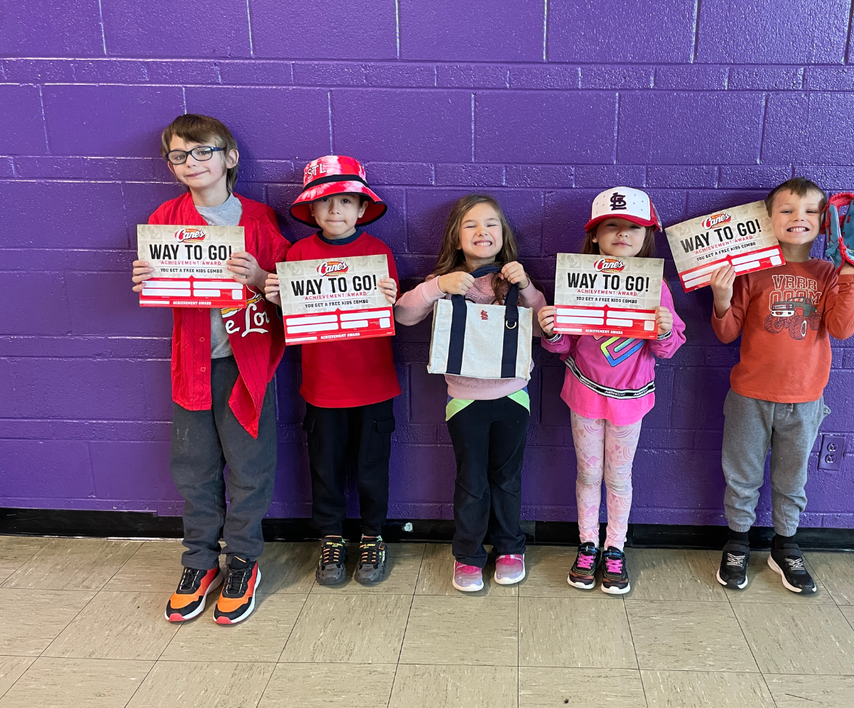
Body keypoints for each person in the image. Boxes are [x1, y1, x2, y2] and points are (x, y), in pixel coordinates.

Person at [131, 114, 289, 624]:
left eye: (202, 152)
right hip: (194, 365)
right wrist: (148, 278)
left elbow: (292, 292)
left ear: (229, 157)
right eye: (179, 155)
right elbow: (162, 284)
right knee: (193, 468)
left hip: (247, 365)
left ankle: (243, 559)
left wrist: (261, 276)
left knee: (249, 467)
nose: (191, 162)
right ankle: (199, 561)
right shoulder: (166, 217)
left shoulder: (258, 219)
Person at [708, 177, 854, 594]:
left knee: (792, 480)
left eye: (811, 211)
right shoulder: (751, 271)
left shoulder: (829, 273)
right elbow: (727, 332)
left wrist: (850, 273)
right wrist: (721, 298)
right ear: (768, 218)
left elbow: (842, 329)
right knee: (741, 475)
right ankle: (738, 541)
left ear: (825, 221)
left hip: (805, 399)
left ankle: (785, 544)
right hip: (749, 396)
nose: (799, 217)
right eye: (787, 210)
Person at [394, 194, 546, 592]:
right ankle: (468, 554)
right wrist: (436, 287)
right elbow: (403, 315)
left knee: (507, 479)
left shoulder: (514, 279)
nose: (483, 231)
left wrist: (528, 287)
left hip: (513, 396)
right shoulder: (444, 281)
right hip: (463, 400)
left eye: (491, 223)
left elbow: (542, 328)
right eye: (471, 225)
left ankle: (510, 547)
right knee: (471, 481)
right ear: (456, 238)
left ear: (504, 233)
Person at [537, 187, 686, 594]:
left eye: (633, 228)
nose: (622, 234)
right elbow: (563, 346)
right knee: (588, 473)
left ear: (647, 236)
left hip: (630, 401)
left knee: (619, 478)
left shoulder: (657, 288)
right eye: (612, 226)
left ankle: (615, 548)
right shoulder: (577, 280)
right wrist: (551, 331)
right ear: (595, 235)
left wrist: (664, 330)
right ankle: (588, 544)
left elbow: (668, 348)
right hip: (584, 395)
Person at [265, 156, 399, 587]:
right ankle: (331, 537)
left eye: (345, 201)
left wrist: (392, 297)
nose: (335, 209)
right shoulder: (298, 255)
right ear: (311, 209)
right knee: (325, 469)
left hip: (374, 385)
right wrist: (278, 298)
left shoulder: (379, 253)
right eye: (325, 202)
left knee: (372, 468)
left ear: (362, 208)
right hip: (322, 388)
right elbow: (290, 319)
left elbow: (394, 313)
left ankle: (373, 535)